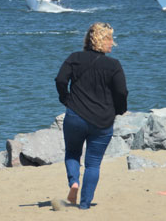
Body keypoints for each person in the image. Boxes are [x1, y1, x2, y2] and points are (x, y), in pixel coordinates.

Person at [55, 22, 128, 209]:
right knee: (93, 164)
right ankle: (85, 205)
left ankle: (74, 182)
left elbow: (61, 79)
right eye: (110, 39)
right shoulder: (114, 65)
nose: (113, 43)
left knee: (72, 153)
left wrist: (66, 99)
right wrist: (119, 110)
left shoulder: (74, 58)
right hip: (102, 121)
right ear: (101, 41)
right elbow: (121, 93)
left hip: (75, 116)